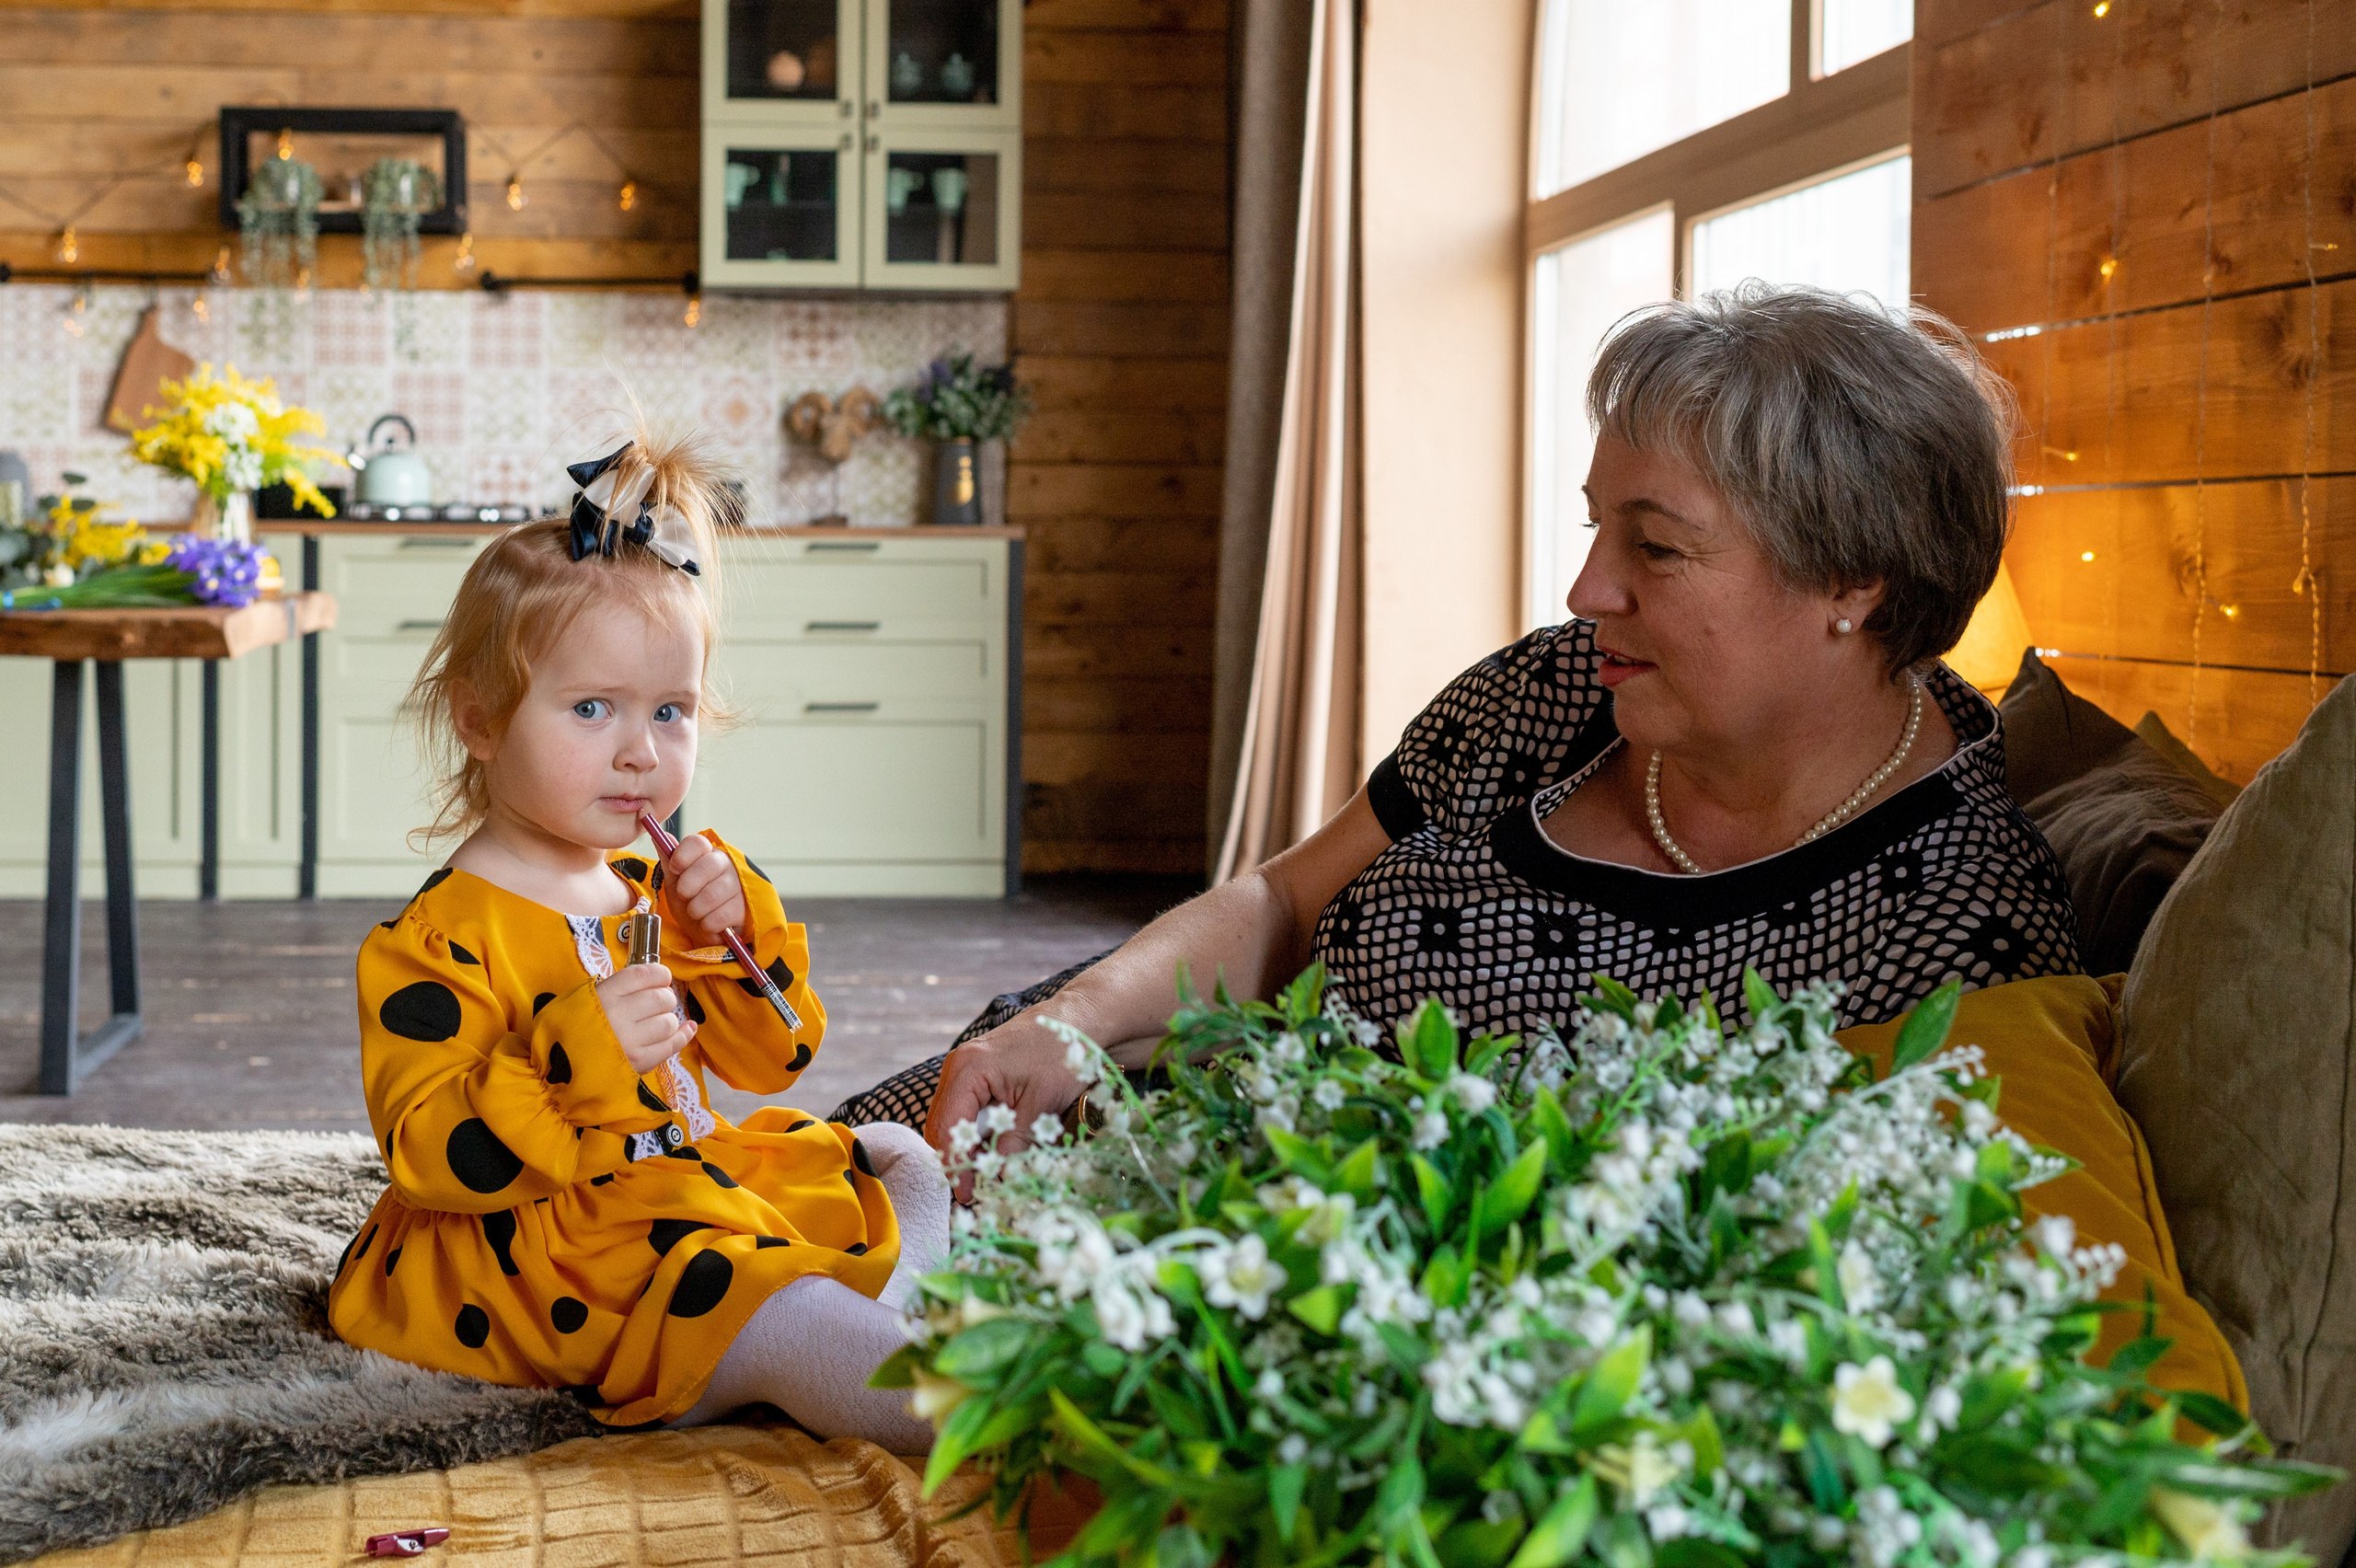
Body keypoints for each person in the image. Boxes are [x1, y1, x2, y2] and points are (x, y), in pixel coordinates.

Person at [830, 283, 2084, 1155]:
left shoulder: (1961, 930)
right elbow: (1282, 903)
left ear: (1853, 582)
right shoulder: (1562, 688)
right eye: (1596, 529)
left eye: (1655, 546)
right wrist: (1073, 1022)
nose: (1586, 591)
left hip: (1288, 1290)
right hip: (1117, 1087)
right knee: (744, 1220)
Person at [327, 431, 940, 1449]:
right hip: (548, 1259)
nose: (641, 753)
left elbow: (778, 1056)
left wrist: (737, 937)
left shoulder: (656, 890)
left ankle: (843, 1329)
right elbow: (434, 1156)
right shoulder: (433, 941)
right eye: (591, 709)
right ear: (480, 722)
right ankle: (941, 1396)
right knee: (766, 1295)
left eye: (670, 711)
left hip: (680, 1187)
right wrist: (576, 1058)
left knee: (895, 1154)